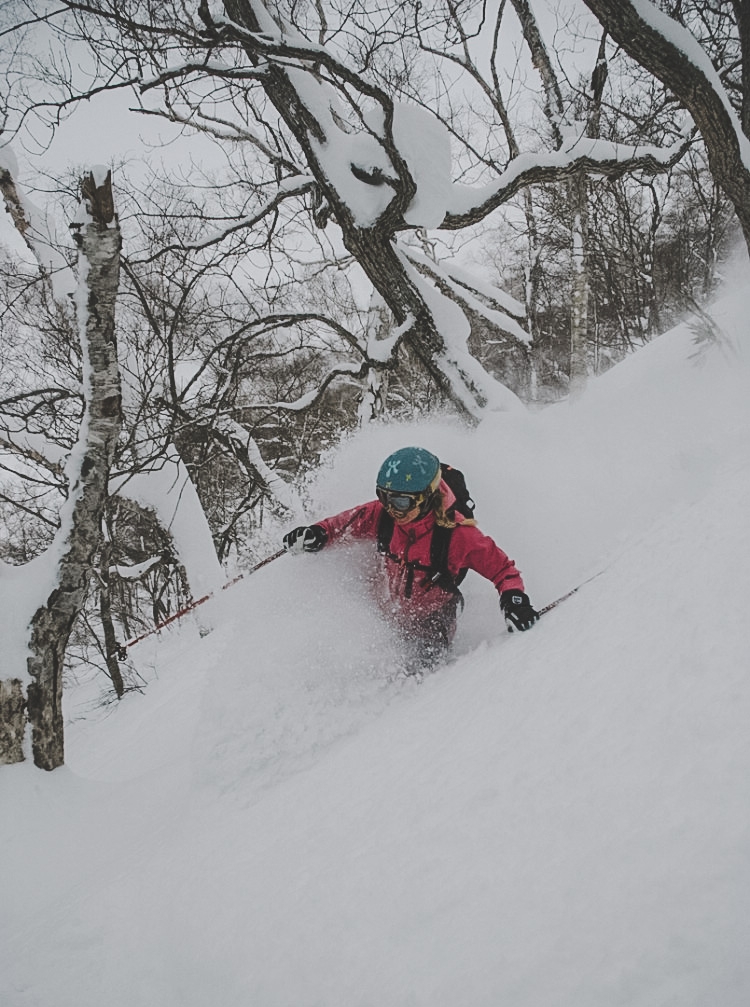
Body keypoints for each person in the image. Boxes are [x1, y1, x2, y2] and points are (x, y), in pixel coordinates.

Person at [283, 446, 538, 670]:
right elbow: (341, 525)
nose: (392, 509)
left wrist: (514, 601)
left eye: (402, 503)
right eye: (384, 497)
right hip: (387, 609)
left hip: (432, 619)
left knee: (420, 672)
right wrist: (316, 534)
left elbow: (503, 570)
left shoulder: (458, 535)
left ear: (427, 498)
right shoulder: (383, 515)